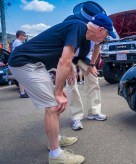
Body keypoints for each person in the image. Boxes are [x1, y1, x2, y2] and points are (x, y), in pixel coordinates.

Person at [8, 6, 116, 163]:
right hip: (23, 62)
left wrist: (71, 73)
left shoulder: (81, 32)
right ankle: (56, 155)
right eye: (107, 34)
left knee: (54, 105)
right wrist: (58, 91)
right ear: (100, 30)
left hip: (36, 64)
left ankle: (55, 138)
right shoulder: (78, 27)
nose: (106, 38)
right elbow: (64, 60)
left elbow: (68, 57)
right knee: (53, 105)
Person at [63, 1, 108, 131]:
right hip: (68, 55)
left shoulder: (100, 27)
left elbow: (97, 46)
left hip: (83, 57)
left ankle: (94, 112)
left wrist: (92, 65)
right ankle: (76, 117)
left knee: (93, 78)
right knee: (72, 83)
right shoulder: (71, 24)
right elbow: (64, 49)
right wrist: (70, 69)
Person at [11, 30, 29, 98]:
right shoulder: (18, 43)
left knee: (22, 77)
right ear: (20, 36)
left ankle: (22, 90)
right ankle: (22, 93)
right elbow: (21, 52)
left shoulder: (17, 42)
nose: (25, 37)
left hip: (17, 61)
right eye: (24, 36)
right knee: (22, 78)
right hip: (18, 61)